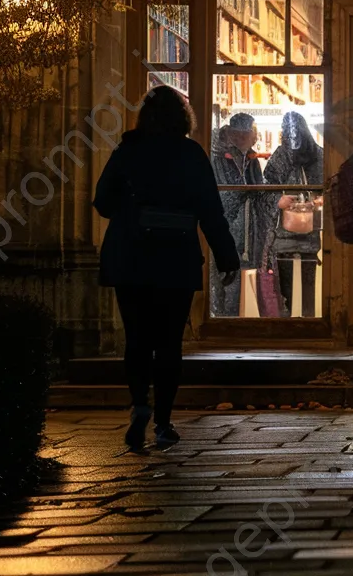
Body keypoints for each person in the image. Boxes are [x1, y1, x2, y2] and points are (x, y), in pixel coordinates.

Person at [94, 86, 240, 452]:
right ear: (183, 118)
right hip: (175, 257)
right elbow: (211, 209)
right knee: (170, 343)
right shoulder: (190, 154)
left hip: (131, 256)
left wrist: (132, 210)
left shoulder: (128, 150)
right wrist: (226, 254)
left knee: (137, 339)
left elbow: (102, 201)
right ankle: (163, 421)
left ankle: (139, 405)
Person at [264, 111, 324, 317]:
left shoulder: (281, 155)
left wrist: (278, 201)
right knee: (308, 285)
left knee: (286, 288)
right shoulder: (317, 154)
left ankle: (287, 325)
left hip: (285, 230)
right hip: (309, 227)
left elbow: (267, 187)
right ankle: (309, 321)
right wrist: (318, 199)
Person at [209, 112, 264, 317]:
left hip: (246, 231)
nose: (254, 138)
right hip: (223, 227)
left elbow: (258, 190)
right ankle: (217, 323)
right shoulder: (217, 157)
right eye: (251, 133)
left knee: (235, 284)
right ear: (238, 135)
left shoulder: (250, 158)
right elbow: (228, 195)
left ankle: (229, 321)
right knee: (218, 281)